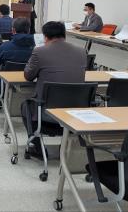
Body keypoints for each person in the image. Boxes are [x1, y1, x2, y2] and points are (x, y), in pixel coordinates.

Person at [21, 21, 87, 158]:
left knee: (25, 106)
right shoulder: (82, 51)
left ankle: (38, 148)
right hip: (76, 112)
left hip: (48, 113)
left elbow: (28, 76)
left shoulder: (39, 51)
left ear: (45, 37)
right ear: (65, 35)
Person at [0, 18, 35, 105]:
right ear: (29, 30)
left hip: (7, 80)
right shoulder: (37, 47)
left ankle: (0, 100)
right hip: (31, 80)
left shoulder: (5, 46)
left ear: (13, 30)